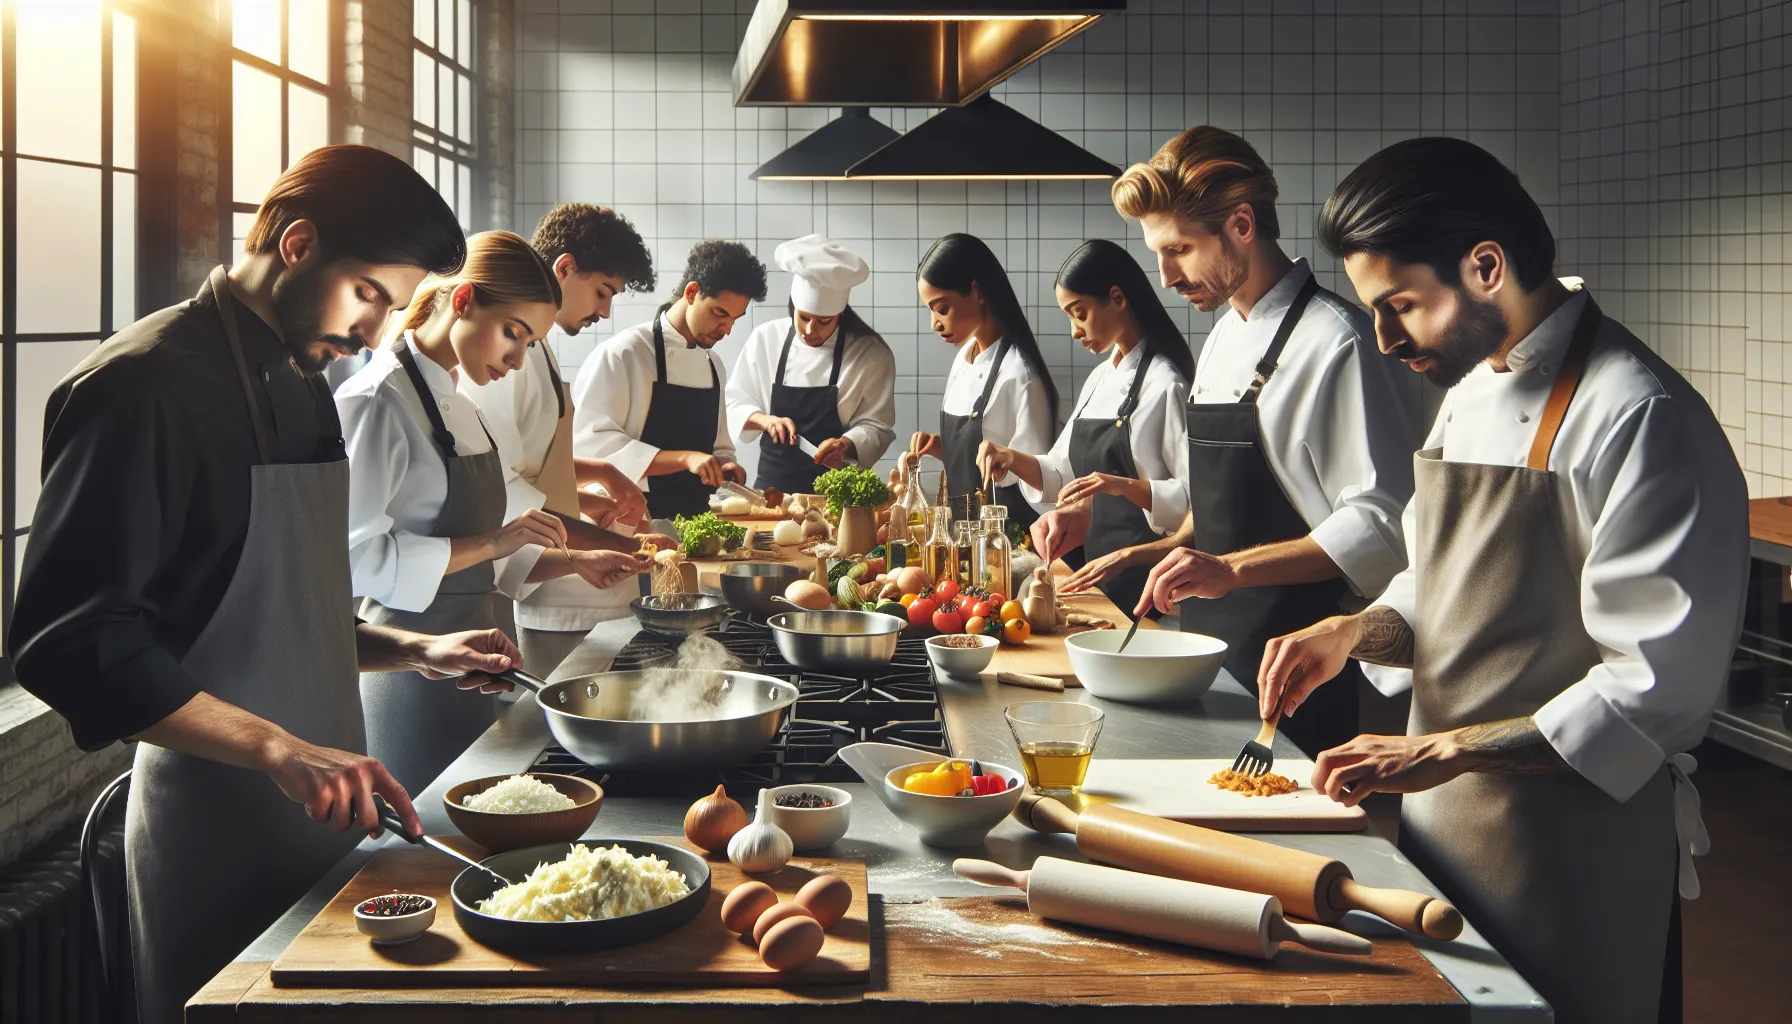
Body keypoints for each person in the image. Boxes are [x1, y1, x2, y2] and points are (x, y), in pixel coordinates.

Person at [4, 146, 518, 1024]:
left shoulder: (303, 377)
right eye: (368, 294)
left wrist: (417, 648)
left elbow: (288, 609)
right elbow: (74, 645)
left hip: (323, 815)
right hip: (214, 831)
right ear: (297, 243)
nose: (373, 331)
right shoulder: (142, 386)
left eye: (391, 308)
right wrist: (277, 748)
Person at [1256, 138, 1746, 1024]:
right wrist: (1350, 632)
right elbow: (1435, 582)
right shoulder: (1471, 392)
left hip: (1573, 850)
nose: (1383, 337)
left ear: (1486, 265)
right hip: (1444, 824)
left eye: (1401, 305)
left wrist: (1441, 751)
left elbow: (1655, 688)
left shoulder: (1638, 416)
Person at [1099, 126, 1415, 757]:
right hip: (1211, 649)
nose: (1164, 278)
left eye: (1180, 249)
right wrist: (1160, 554)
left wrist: (1230, 570)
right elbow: (1222, 505)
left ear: (1241, 224)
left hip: (1295, 665)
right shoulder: (1221, 335)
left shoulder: (1339, 341)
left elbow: (1382, 524)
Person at [339, 231, 647, 791]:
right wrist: (494, 543)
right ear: (462, 301)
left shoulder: (462, 405)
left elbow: (491, 564)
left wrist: (574, 562)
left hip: (483, 657)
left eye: (529, 344)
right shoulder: (377, 400)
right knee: (420, 849)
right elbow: (360, 561)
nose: (517, 359)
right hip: (413, 664)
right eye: (513, 335)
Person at [460, 203, 670, 676]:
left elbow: (534, 463)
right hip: (525, 585)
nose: (605, 310)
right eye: (603, 292)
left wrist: (597, 478)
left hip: (552, 570)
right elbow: (499, 484)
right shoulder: (503, 356)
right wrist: (614, 547)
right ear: (565, 267)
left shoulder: (540, 348)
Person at [975, 239, 1194, 615]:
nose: (1075, 331)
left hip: (1153, 588)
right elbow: (1062, 472)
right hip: (1101, 585)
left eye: (1080, 313)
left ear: (1118, 298)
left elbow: (1192, 501)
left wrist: (1123, 487)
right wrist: (1009, 457)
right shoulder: (1098, 379)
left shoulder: (1166, 384)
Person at [572, 239, 767, 528]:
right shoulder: (624, 354)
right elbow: (593, 449)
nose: (726, 329)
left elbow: (719, 447)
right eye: (719, 314)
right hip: (634, 524)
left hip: (697, 523)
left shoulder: (714, 366)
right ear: (691, 292)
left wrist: (725, 467)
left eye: (734, 319)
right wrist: (685, 458)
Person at [909, 233, 1057, 533]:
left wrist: (1007, 464)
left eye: (941, 308)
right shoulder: (965, 356)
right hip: (962, 532)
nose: (934, 324)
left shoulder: (1021, 374)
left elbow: (1042, 480)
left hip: (1007, 539)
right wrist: (941, 447)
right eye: (930, 311)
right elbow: (977, 448)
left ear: (977, 290)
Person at [727, 234, 896, 493]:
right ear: (793, 305)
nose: (809, 330)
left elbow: (878, 426)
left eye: (824, 321)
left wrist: (846, 444)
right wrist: (765, 421)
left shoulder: (869, 354)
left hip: (838, 500)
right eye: (803, 317)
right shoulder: (766, 338)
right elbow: (734, 402)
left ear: (840, 314)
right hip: (772, 499)